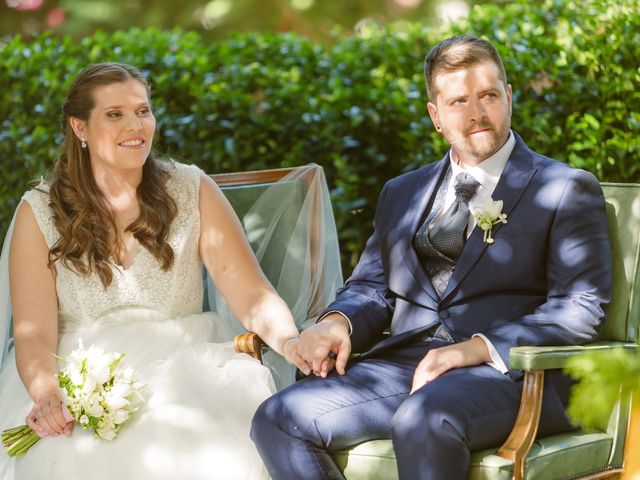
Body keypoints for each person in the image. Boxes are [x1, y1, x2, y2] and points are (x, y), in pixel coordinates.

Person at [251, 34, 612, 479]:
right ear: (435, 116)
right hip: (403, 366)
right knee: (278, 418)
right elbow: (370, 287)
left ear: (509, 98)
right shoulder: (402, 192)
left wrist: (474, 349)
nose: (478, 113)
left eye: (489, 96)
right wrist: (335, 323)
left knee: (423, 418)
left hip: (510, 376)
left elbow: (581, 307)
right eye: (459, 101)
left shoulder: (564, 188)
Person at [0, 62, 311, 480]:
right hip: (75, 376)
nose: (136, 125)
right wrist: (47, 393)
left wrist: (289, 340)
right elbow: (34, 331)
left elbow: (251, 292)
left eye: (143, 111)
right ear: (80, 128)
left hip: (185, 365)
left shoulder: (189, 188)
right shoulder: (39, 210)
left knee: (197, 442)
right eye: (115, 114)